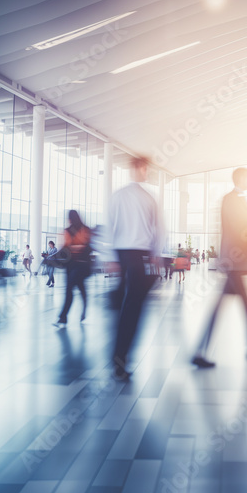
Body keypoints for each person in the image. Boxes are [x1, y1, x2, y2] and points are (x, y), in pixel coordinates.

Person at [192, 167, 247, 367]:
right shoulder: (232, 199)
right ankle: (201, 351)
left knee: (240, 305)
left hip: (235, 261)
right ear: (241, 178)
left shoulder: (237, 199)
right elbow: (240, 227)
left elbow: (246, 226)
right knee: (234, 306)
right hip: (234, 261)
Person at [108, 156, 164, 380]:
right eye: (145, 169)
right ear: (139, 169)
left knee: (125, 304)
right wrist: (156, 254)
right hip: (139, 255)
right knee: (134, 306)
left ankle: (118, 356)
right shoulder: (149, 198)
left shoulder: (118, 196)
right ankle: (121, 358)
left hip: (122, 254)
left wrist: (110, 257)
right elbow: (159, 229)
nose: (147, 172)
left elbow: (109, 226)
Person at [55, 210, 92, 328]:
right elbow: (87, 247)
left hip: (78, 266)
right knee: (80, 288)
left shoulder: (80, 230)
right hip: (74, 266)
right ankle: (82, 312)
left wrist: (73, 249)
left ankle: (63, 317)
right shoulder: (81, 230)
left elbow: (66, 249)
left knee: (70, 289)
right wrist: (79, 248)